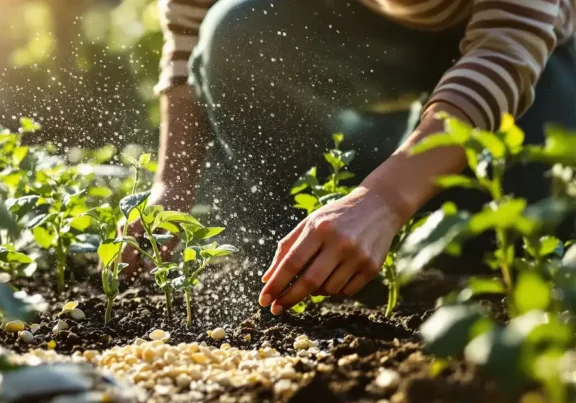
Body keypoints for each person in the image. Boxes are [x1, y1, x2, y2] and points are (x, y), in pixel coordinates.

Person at [122, 0, 576, 315]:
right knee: (237, 30)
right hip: (359, 28)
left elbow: (505, 51)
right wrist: (172, 186)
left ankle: (384, 198)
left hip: (533, 59)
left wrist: (385, 200)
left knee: (514, 231)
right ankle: (312, 248)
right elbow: (189, 26)